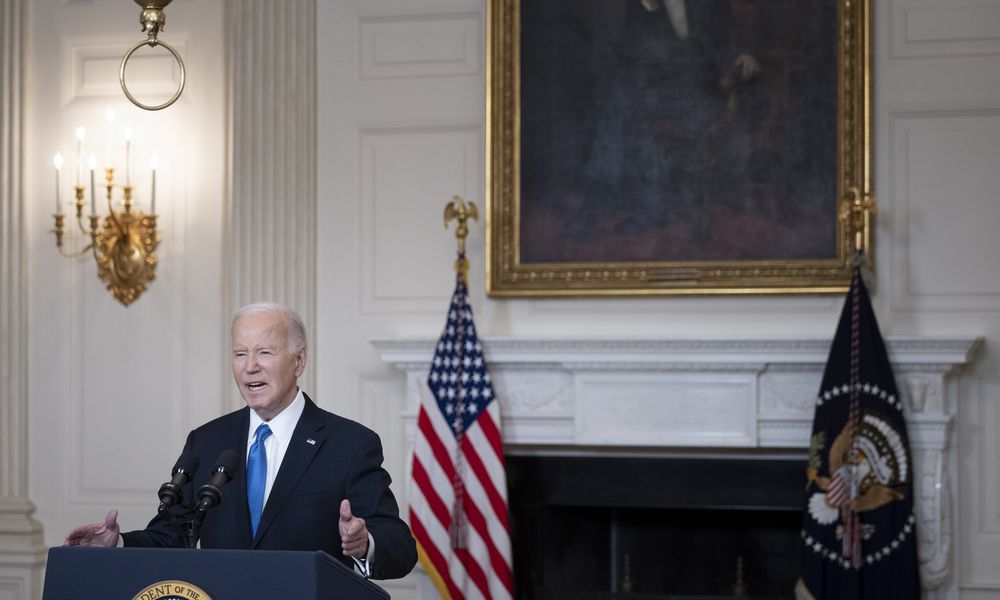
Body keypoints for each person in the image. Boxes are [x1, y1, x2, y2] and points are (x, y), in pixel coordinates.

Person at [64, 302, 417, 580]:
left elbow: (400, 546)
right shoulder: (206, 441)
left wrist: (362, 543)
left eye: (264, 352)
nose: (250, 367)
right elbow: (172, 535)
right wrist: (117, 544)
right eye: (239, 353)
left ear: (299, 360)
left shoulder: (350, 444)